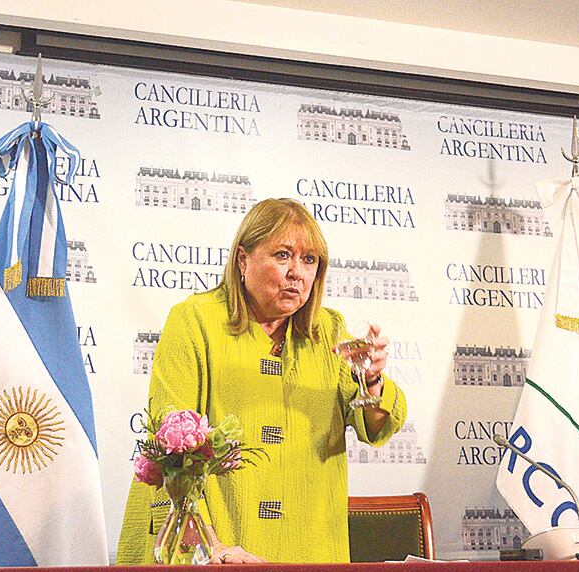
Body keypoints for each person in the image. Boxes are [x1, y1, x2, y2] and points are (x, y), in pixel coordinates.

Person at [117, 198, 407, 564]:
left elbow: (375, 426)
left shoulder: (328, 331)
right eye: (283, 255)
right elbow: (169, 451)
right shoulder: (193, 321)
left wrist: (372, 379)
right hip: (212, 552)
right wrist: (209, 546)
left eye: (309, 260)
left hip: (308, 551)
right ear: (243, 259)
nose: (297, 273)